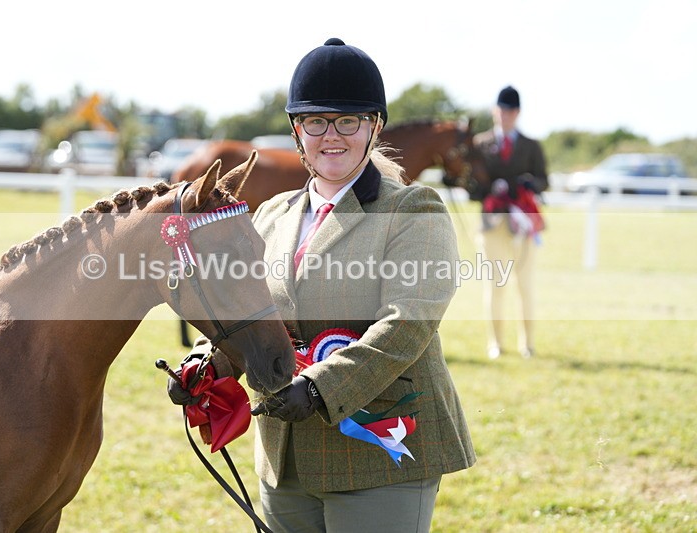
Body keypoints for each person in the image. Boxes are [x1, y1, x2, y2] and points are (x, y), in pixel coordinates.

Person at [168, 38, 475, 532]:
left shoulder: (413, 210)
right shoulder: (270, 215)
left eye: (347, 121)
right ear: (297, 131)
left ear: (374, 126)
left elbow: (408, 324)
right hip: (284, 457)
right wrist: (207, 363)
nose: (331, 136)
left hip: (380, 452)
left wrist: (318, 388)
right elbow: (251, 314)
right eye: (316, 122)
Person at [473, 86, 549, 360]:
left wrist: (530, 183)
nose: (504, 116)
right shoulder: (480, 144)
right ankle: (495, 343)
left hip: (523, 224)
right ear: (496, 111)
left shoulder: (531, 145)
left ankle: (527, 343)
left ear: (517, 113)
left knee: (525, 286)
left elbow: (544, 180)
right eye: (501, 110)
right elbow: (472, 186)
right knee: (495, 286)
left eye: (510, 111)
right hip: (492, 225)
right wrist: (490, 190)